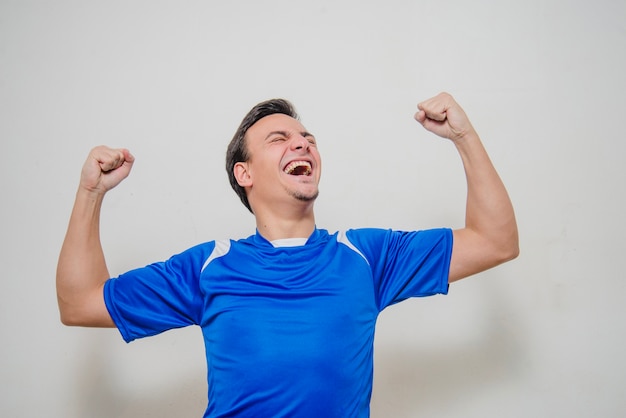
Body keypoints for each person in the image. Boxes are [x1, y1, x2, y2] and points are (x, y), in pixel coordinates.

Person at [57, 92, 518, 417]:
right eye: (278, 139)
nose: (302, 143)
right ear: (245, 173)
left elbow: (494, 240)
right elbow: (80, 303)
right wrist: (90, 192)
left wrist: (465, 136)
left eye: (307, 138)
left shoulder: (366, 256)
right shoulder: (207, 268)